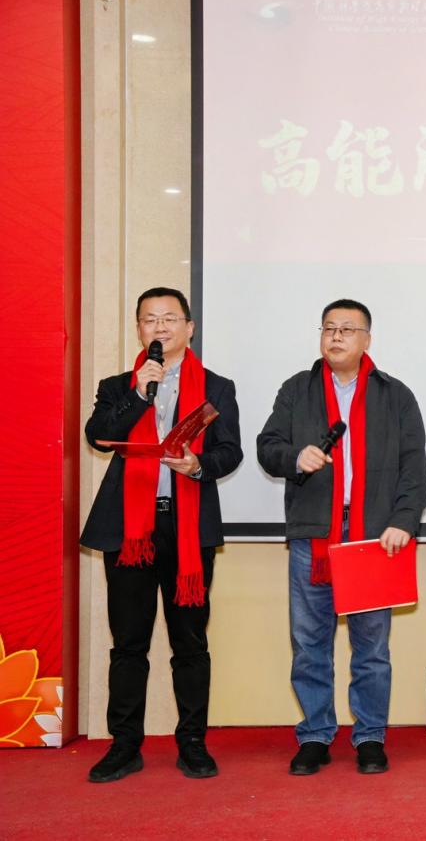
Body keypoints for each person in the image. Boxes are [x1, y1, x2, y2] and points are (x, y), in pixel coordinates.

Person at [257, 299, 426, 776]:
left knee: (371, 647)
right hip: (314, 535)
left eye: (347, 329)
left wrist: (404, 521)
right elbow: (268, 447)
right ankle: (315, 734)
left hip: (374, 535)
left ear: (367, 339)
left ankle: (370, 736)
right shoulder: (297, 389)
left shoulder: (395, 395)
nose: (335, 336)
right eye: (329, 328)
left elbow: (414, 467)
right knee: (310, 643)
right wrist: (296, 457)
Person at [81, 287, 243, 782]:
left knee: (189, 641)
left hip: (186, 527)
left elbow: (230, 451)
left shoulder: (216, 387)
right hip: (130, 529)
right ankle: (124, 745)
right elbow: (97, 435)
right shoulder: (118, 385)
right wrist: (138, 394)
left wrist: (197, 465)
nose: (160, 327)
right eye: (150, 319)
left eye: (170, 318)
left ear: (189, 328)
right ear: (139, 330)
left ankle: (192, 743)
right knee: (128, 642)